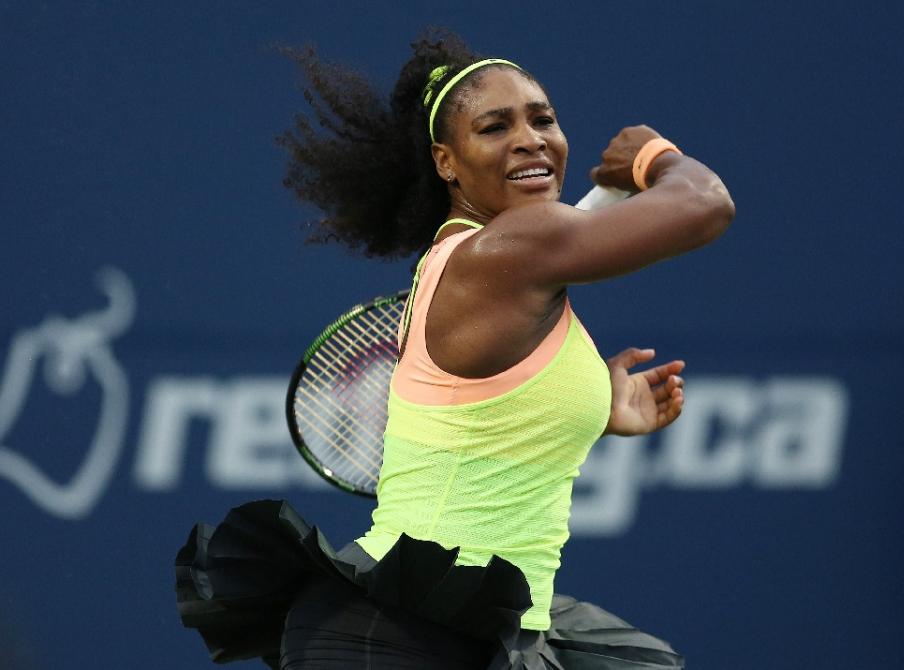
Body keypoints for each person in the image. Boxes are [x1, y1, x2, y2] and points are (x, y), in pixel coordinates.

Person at [175, 28, 734, 670]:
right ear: (447, 162)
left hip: (481, 633)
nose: (530, 138)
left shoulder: (491, 261)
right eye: (495, 128)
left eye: (543, 119)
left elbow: (485, 430)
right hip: (397, 640)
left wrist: (591, 410)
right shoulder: (512, 248)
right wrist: (653, 158)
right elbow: (705, 205)